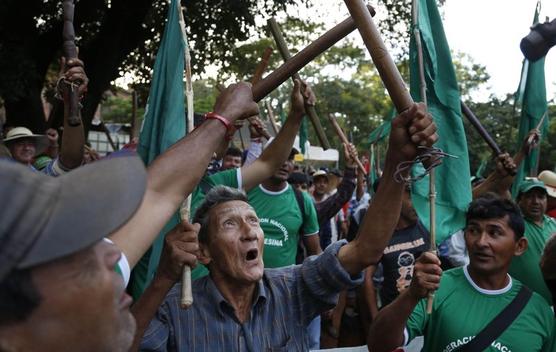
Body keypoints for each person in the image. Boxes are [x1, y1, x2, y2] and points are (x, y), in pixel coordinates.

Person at [131, 102, 439, 351]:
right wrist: (163, 279)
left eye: (253, 220)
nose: (250, 231)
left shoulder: (292, 288)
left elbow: (366, 249)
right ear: (205, 252)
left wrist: (399, 158)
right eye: (230, 224)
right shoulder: (174, 308)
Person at [0, 81, 259, 351]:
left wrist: (223, 117)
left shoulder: (79, 288)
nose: (113, 254)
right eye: (79, 256)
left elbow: (159, 192)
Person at [368, 195, 555, 352]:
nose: (481, 242)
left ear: (519, 246)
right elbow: (379, 346)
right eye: (473, 230)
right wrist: (411, 295)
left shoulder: (539, 310)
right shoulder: (436, 289)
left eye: (494, 233)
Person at [2, 58, 87, 175]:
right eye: (20, 143)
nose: (26, 148)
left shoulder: (41, 177)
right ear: (10, 148)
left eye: (30, 143)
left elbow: (70, 161)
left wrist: (71, 99)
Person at [509, 178, 556, 305]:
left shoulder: (554, 224)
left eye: (541, 197)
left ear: (547, 200)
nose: (535, 202)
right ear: (519, 200)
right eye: (530, 196)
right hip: (521, 306)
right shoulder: (512, 225)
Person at [312, 143, 358, 250]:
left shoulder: (306, 205)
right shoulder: (306, 200)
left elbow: (342, 196)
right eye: (318, 181)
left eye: (324, 181)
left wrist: (350, 167)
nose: (321, 184)